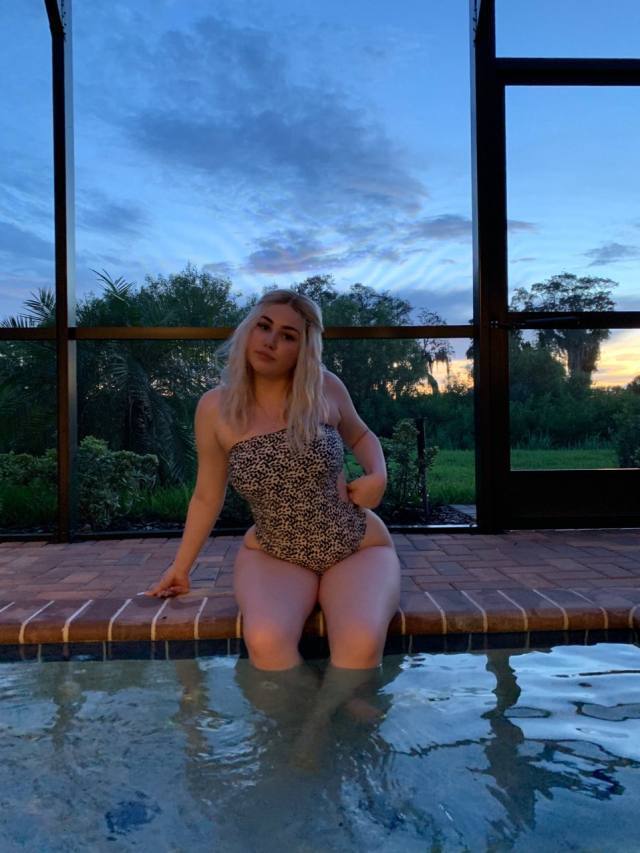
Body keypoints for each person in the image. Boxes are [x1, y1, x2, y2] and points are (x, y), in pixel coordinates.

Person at [145, 289, 401, 674]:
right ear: (248, 330)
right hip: (274, 552)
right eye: (263, 327)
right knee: (266, 641)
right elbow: (206, 496)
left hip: (355, 545)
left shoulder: (325, 388)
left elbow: (362, 435)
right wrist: (181, 568)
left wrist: (378, 475)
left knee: (361, 643)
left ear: (302, 349)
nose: (270, 341)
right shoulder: (215, 408)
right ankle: (303, 714)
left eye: (288, 335)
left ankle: (337, 711)